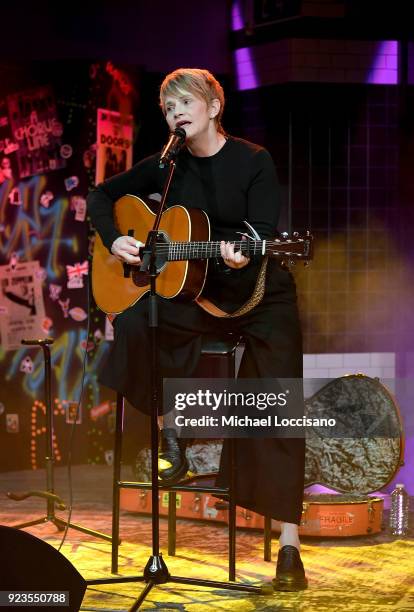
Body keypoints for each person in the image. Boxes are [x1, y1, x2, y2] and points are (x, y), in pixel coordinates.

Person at [87, 68, 307, 591]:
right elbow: (101, 196)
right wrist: (117, 239)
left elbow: (265, 234)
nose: (177, 114)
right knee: (137, 324)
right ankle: (172, 439)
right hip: (194, 290)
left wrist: (240, 255)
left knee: (277, 397)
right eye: (169, 108)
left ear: (213, 107)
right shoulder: (167, 165)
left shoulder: (254, 160)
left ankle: (290, 544)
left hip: (256, 294)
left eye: (187, 103)